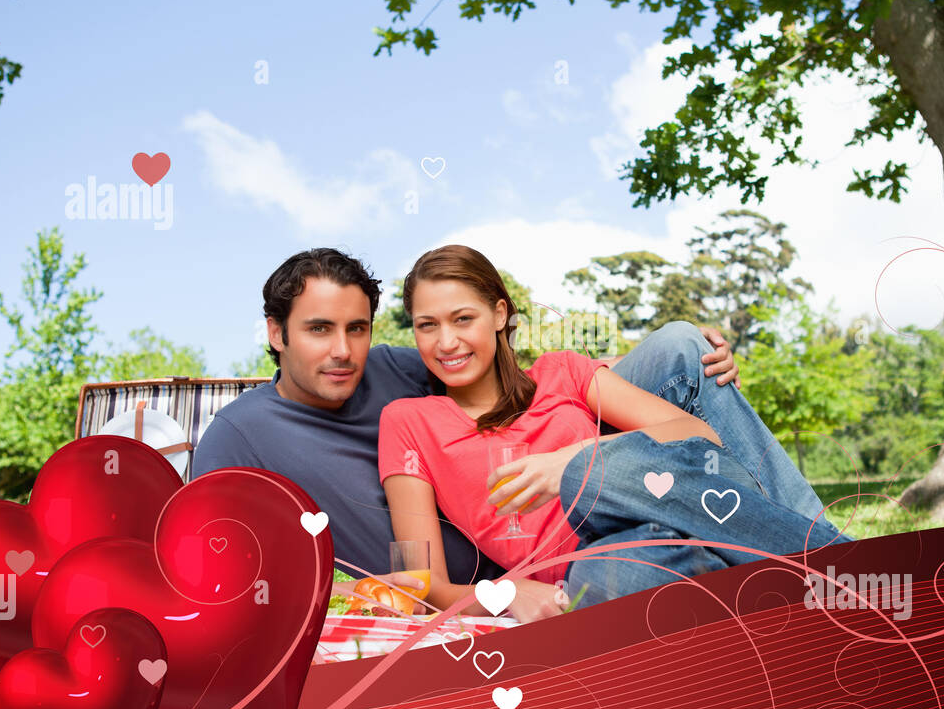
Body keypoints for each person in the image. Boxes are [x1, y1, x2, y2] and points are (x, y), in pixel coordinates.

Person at [192, 247, 747, 610]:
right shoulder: (239, 435)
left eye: (356, 328)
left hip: (564, 497)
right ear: (276, 332)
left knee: (681, 349)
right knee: (619, 571)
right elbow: (209, 562)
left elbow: (520, 383)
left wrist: (681, 363)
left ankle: (813, 555)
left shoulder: (400, 366)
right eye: (318, 330)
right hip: (491, 570)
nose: (342, 352)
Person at [378, 245, 851, 624]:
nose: (446, 342)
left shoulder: (564, 372)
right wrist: (506, 591)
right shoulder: (408, 421)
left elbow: (696, 434)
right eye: (427, 326)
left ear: (499, 314)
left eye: (463, 319)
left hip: (675, 503)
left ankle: (837, 563)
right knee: (625, 579)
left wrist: (571, 460)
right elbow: (422, 584)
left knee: (591, 467)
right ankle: (794, 603)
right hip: (598, 560)